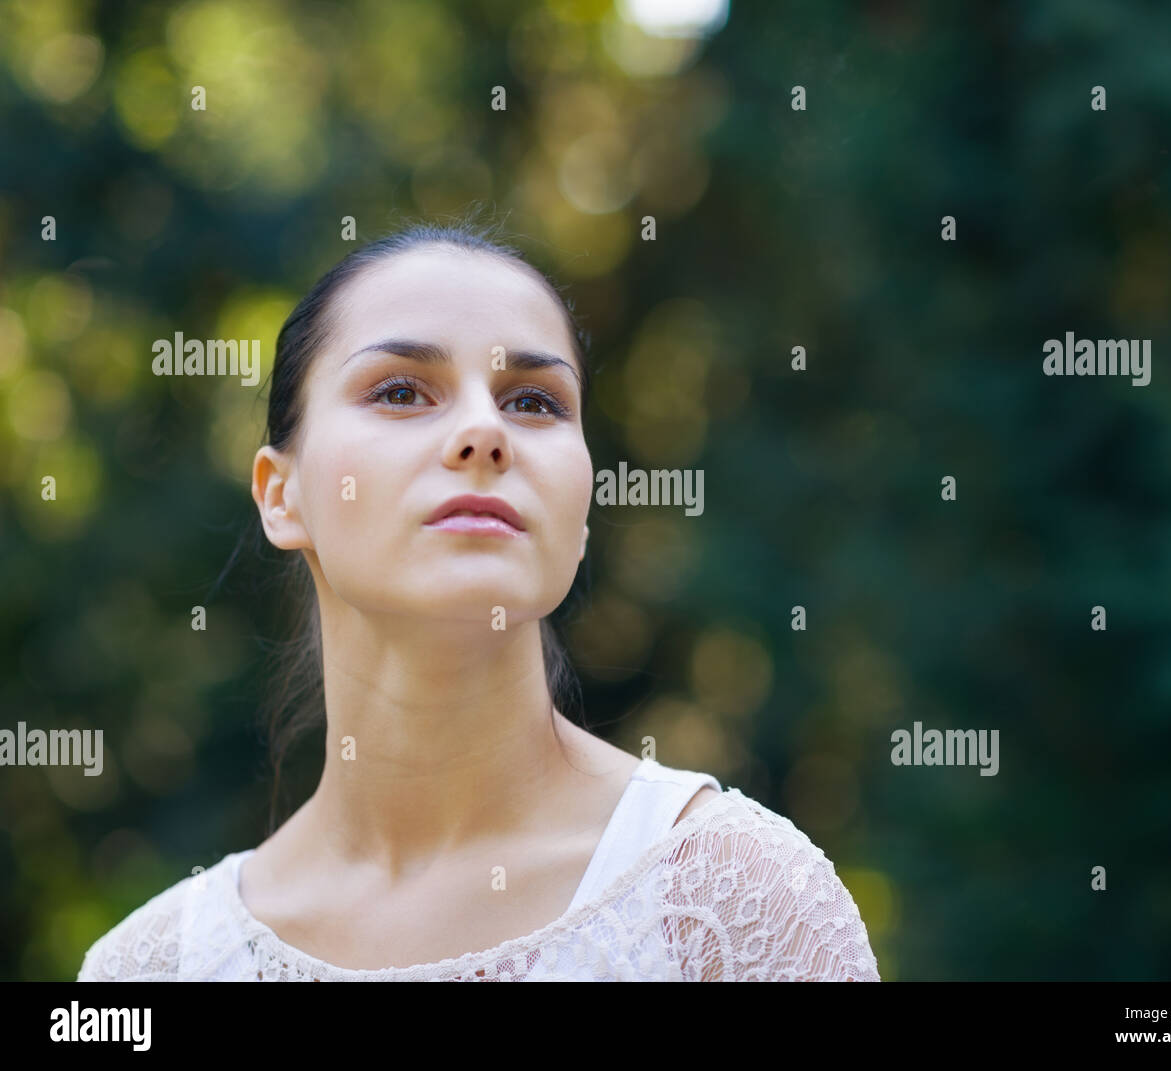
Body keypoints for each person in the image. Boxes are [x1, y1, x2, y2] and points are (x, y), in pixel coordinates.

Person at [76, 216, 881, 981]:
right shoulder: (150, 969)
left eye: (534, 401)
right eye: (400, 390)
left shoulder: (736, 907)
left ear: (582, 506)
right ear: (281, 496)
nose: (483, 430)